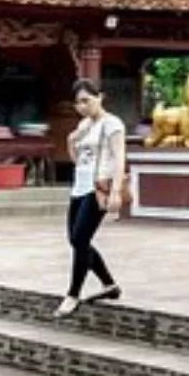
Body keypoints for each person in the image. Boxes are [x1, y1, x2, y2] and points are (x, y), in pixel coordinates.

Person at [57, 79, 125, 318]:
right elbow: (77, 158)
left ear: (100, 97)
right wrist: (71, 139)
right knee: (76, 241)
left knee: (80, 238)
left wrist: (116, 190)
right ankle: (109, 284)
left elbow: (119, 158)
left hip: (99, 188)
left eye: (87, 100)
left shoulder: (112, 124)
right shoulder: (85, 124)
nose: (82, 106)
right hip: (79, 186)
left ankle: (73, 294)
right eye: (78, 102)